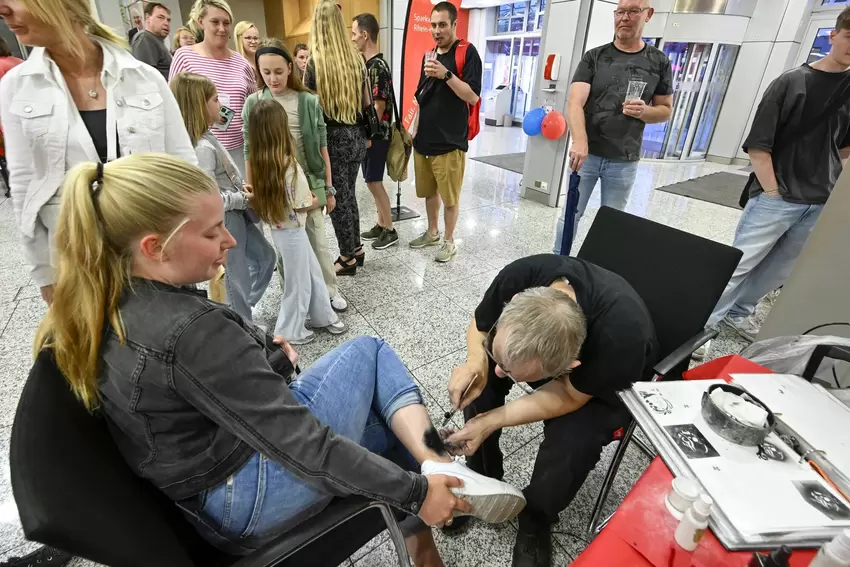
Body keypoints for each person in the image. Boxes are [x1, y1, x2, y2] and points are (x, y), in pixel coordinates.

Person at [36, 151, 527, 563]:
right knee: (372, 358)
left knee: (390, 428)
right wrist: (417, 496)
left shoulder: (101, 300)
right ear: (153, 246)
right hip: (242, 499)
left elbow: (191, 392)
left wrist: (258, 363)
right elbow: (305, 446)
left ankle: (432, 512)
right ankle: (440, 476)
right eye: (211, 232)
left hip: (198, 496)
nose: (229, 239)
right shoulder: (190, 330)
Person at [443, 254, 658, 567]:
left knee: (573, 440)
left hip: (606, 383)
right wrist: (477, 360)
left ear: (565, 367)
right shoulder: (520, 276)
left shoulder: (622, 337)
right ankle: (482, 473)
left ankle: (536, 519)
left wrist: (493, 420)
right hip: (561, 351)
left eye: (512, 371)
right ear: (512, 304)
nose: (502, 372)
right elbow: (481, 324)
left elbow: (570, 395)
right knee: (481, 382)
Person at [0, 0, 196, 306]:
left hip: (154, 250)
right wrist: (46, 275)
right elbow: (26, 187)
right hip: (77, 258)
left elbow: (184, 167)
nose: (3, 9)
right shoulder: (17, 86)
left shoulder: (143, 78)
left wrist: (194, 246)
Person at [695, 7, 850, 359]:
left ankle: (740, 314)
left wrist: (836, 192)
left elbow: (843, 147)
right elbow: (758, 143)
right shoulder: (792, 82)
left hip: (820, 198)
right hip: (776, 196)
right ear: (834, 35)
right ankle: (701, 331)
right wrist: (772, 190)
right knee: (740, 264)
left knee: (779, 269)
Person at [552, 0, 673, 254]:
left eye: (632, 11)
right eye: (620, 11)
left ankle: (599, 273)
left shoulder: (659, 62)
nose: (624, 18)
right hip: (586, 157)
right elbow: (575, 102)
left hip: (624, 159)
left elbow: (665, 110)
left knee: (612, 222)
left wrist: (645, 111)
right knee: (571, 215)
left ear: (648, 15)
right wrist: (580, 141)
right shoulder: (594, 57)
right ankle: (558, 264)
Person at [244, 39, 348, 313]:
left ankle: (328, 291)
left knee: (318, 242)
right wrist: (253, 190)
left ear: (290, 68)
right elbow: (249, 150)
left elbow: (323, 147)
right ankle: (293, 296)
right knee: (284, 249)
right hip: (274, 189)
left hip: (308, 185)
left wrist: (328, 188)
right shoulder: (253, 103)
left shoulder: (308, 100)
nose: (273, 78)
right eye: (266, 72)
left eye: (278, 71)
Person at [171, 72, 275, 324]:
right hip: (227, 217)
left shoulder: (208, 136)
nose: (222, 105)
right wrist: (241, 197)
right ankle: (239, 322)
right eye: (215, 99)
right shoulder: (201, 148)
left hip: (237, 212)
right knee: (235, 276)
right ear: (199, 105)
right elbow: (209, 197)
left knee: (265, 258)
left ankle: (237, 314)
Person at [247, 100, 346, 344]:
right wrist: (315, 199)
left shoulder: (261, 162)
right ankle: (290, 330)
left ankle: (323, 314)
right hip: (293, 228)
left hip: (283, 229)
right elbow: (302, 202)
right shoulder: (287, 164)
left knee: (310, 272)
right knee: (298, 281)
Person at [410, 1, 481, 263]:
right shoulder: (429, 55)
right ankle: (432, 232)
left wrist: (446, 74)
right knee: (429, 192)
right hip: (424, 139)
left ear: (454, 24)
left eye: (442, 25)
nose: (437, 30)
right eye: (433, 25)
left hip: (451, 140)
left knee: (450, 196)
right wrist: (414, 127)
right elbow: (422, 96)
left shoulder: (467, 53)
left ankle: (450, 241)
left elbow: (472, 96)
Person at [304, 0, 371, 275]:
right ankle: (356, 248)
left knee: (338, 198)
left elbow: (309, 105)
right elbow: (366, 102)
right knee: (349, 195)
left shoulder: (315, 62)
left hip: (332, 138)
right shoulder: (356, 58)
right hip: (356, 135)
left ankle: (347, 258)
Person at [170, 0, 255, 176]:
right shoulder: (185, 57)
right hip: (201, 152)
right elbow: (174, 107)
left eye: (226, 23)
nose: (222, 28)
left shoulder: (241, 63)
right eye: (215, 22)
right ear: (201, 22)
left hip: (241, 151)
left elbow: (253, 106)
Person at [353, 13, 399, 250]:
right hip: (370, 135)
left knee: (373, 181)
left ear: (365, 34)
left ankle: (390, 229)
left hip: (377, 136)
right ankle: (381, 223)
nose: (352, 39)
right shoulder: (367, 65)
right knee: (371, 180)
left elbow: (378, 107)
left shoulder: (377, 67)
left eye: (354, 34)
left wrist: (369, 136)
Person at [131, 1, 172, 79]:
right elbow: (146, 77)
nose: (166, 23)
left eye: (168, 20)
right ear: (147, 18)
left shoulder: (156, 40)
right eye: (160, 17)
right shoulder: (145, 38)